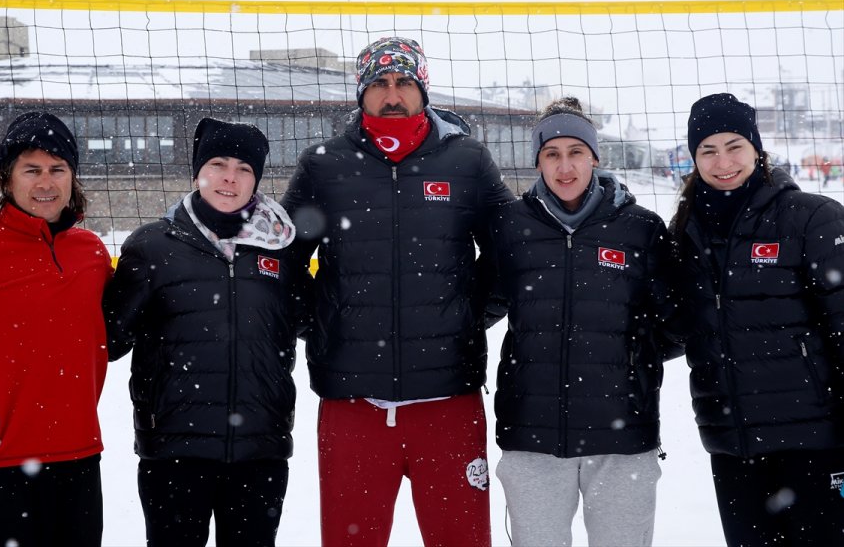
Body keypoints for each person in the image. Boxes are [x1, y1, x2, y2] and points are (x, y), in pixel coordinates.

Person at [281, 36, 513, 547]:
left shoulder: (467, 160)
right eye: (380, 83)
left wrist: (469, 316)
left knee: (461, 539)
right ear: (361, 94)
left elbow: (508, 252)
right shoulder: (324, 164)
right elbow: (284, 261)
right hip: (352, 401)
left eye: (404, 82)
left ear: (422, 89)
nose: (392, 94)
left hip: (448, 397)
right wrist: (323, 325)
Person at [103, 118, 307, 547]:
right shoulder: (152, 246)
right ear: (198, 171)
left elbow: (316, 322)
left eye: (244, 168)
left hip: (260, 451)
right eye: (218, 163)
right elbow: (107, 338)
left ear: (256, 179)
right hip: (175, 451)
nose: (230, 177)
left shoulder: (282, 249)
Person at [491, 97, 680, 547]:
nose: (565, 167)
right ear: (537, 160)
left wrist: (630, 363)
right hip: (531, 436)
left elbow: (674, 323)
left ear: (595, 156)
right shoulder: (510, 226)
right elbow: (478, 304)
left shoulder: (640, 228)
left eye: (576, 152)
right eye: (551, 154)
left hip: (622, 436)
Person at [670, 93, 844, 546]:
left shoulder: (811, 218)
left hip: (814, 442)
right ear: (694, 158)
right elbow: (675, 326)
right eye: (707, 150)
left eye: (734, 146)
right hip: (734, 444)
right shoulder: (686, 231)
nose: (722, 161)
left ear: (756, 149)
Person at [0, 112, 112, 547]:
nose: (46, 183)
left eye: (58, 170)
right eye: (31, 170)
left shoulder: (90, 252)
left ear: (72, 178)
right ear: (6, 179)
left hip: (78, 469)